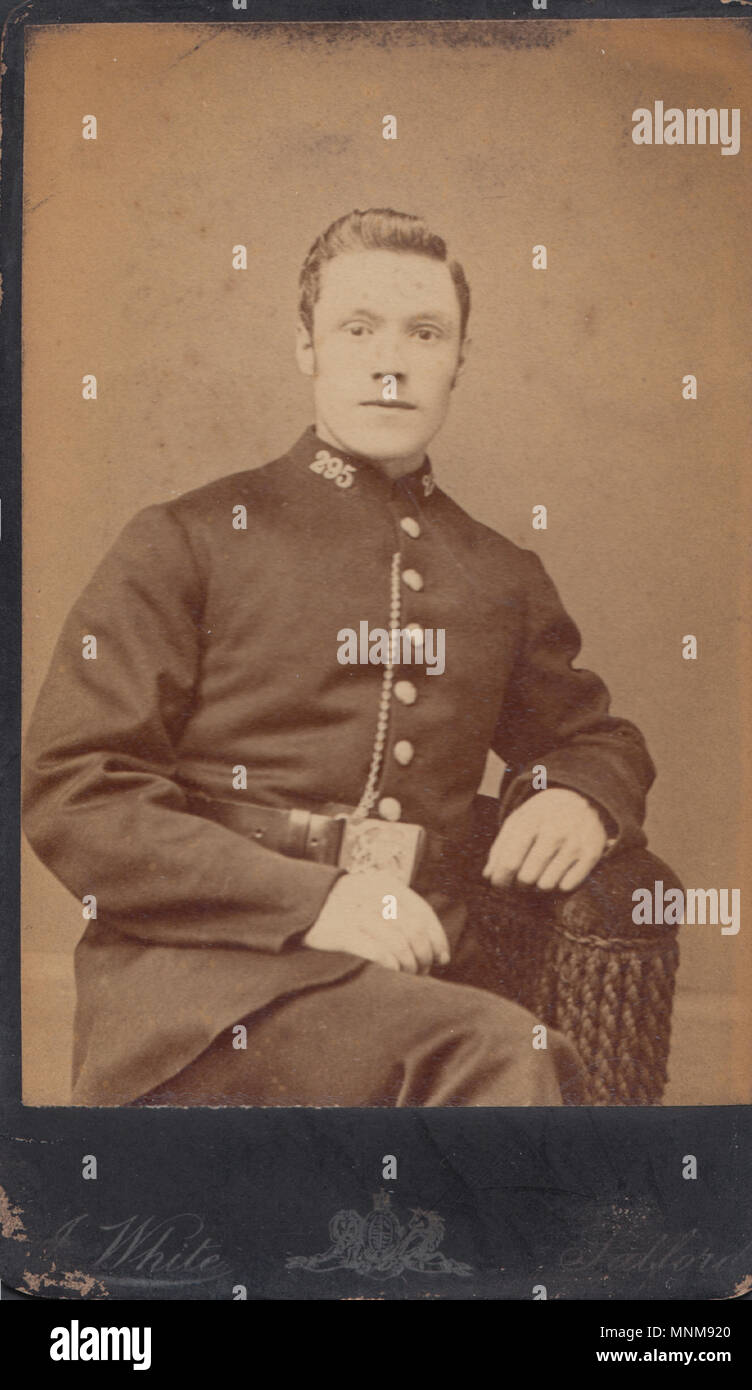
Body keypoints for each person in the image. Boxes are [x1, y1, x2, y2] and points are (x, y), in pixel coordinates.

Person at [22, 208, 655, 1108]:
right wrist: (313, 901)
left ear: (458, 361)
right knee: (498, 1060)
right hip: (200, 992)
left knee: (503, 1060)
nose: (390, 361)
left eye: (424, 333)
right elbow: (75, 789)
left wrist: (577, 795)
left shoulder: (500, 575)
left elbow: (593, 735)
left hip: (412, 981)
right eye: (357, 329)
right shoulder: (188, 539)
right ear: (306, 348)